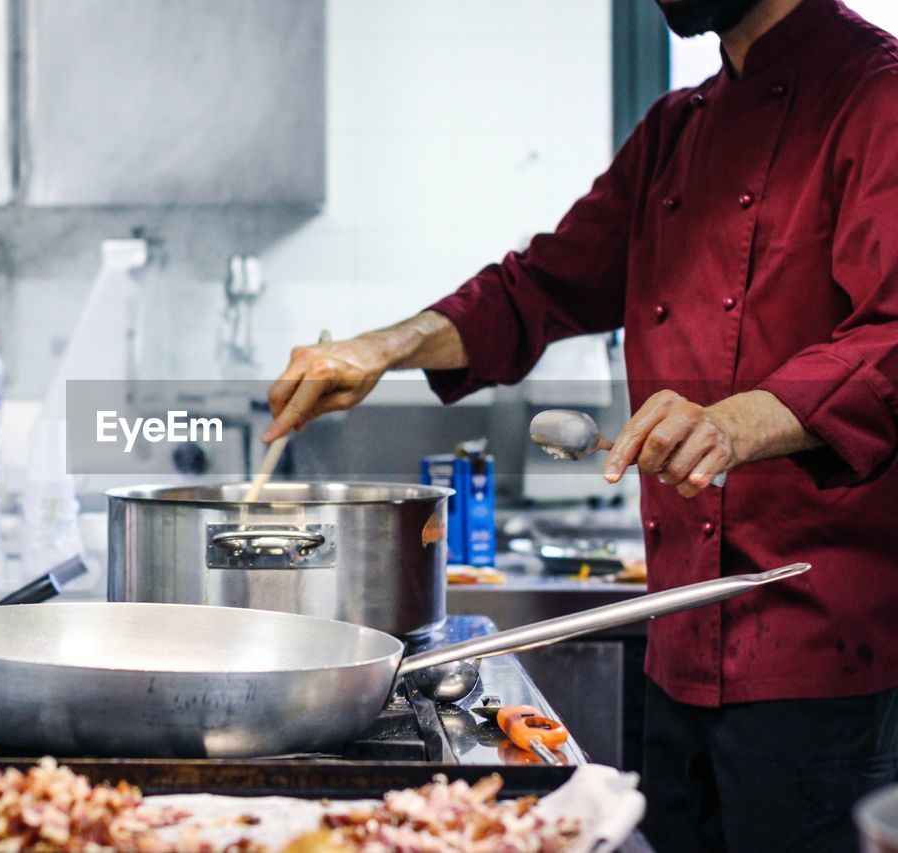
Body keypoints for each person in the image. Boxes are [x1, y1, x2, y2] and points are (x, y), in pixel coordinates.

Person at [263, 0, 898, 849]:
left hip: (824, 666)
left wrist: (734, 423)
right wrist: (387, 345)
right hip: (677, 650)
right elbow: (541, 286)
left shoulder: (877, 98)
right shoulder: (678, 129)